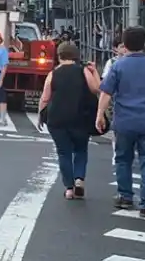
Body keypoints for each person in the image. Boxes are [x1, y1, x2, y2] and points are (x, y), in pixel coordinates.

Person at [96, 26, 145, 218]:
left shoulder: (118, 65)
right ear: (144, 42)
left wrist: (100, 114)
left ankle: (125, 197)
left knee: (123, 159)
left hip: (124, 121)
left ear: (125, 44)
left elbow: (106, 93)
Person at [38, 42, 101, 199]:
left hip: (57, 119)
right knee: (81, 150)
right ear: (76, 56)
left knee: (63, 153)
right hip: (80, 117)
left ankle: (69, 188)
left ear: (59, 56)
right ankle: (79, 178)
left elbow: (45, 97)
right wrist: (95, 72)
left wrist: (40, 114)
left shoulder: (53, 73)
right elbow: (96, 89)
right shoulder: (83, 71)